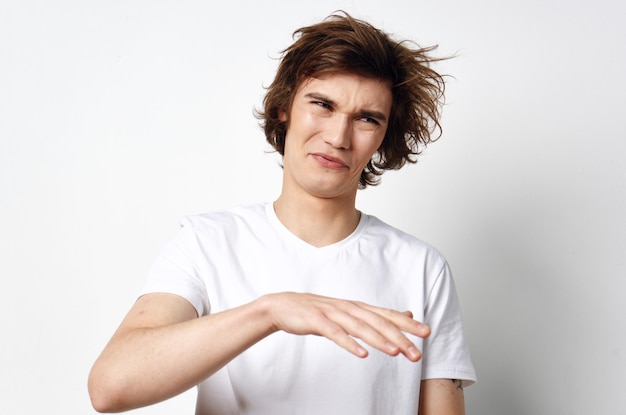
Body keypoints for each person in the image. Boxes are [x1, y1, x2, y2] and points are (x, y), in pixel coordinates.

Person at [88, 12, 476, 414]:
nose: (338, 137)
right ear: (283, 109)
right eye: (322, 105)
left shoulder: (420, 267)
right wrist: (268, 312)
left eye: (366, 118)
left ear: (382, 137)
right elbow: (110, 386)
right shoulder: (207, 242)